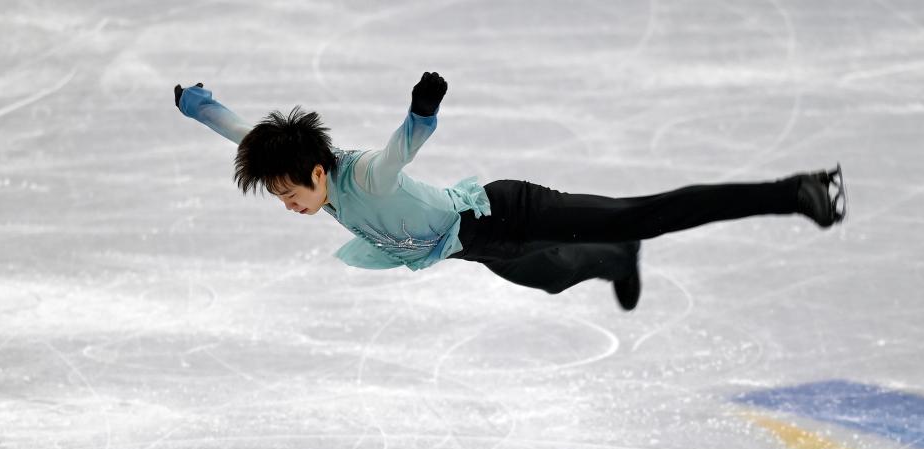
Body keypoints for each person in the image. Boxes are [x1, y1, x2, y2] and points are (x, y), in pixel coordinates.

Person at [173, 73, 845, 311]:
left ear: (319, 173)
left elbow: (401, 147)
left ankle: (796, 191)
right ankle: (620, 258)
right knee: (552, 279)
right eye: (278, 196)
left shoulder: (364, 176)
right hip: (476, 246)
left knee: (646, 213)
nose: (288, 204)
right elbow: (239, 130)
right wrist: (195, 104)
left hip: (510, 209)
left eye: (289, 193)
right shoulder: (297, 164)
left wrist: (422, 110)